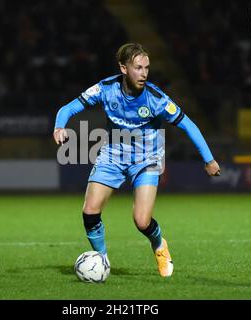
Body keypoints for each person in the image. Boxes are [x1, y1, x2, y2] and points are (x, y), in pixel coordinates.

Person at [53, 43, 221, 277]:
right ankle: (102, 260)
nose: (144, 73)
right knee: (90, 211)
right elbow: (68, 108)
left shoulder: (156, 99)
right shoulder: (105, 89)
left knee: (141, 221)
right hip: (113, 155)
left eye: (147, 68)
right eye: (138, 68)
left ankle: (160, 245)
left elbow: (188, 124)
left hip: (147, 159)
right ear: (123, 68)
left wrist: (209, 159)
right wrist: (59, 126)